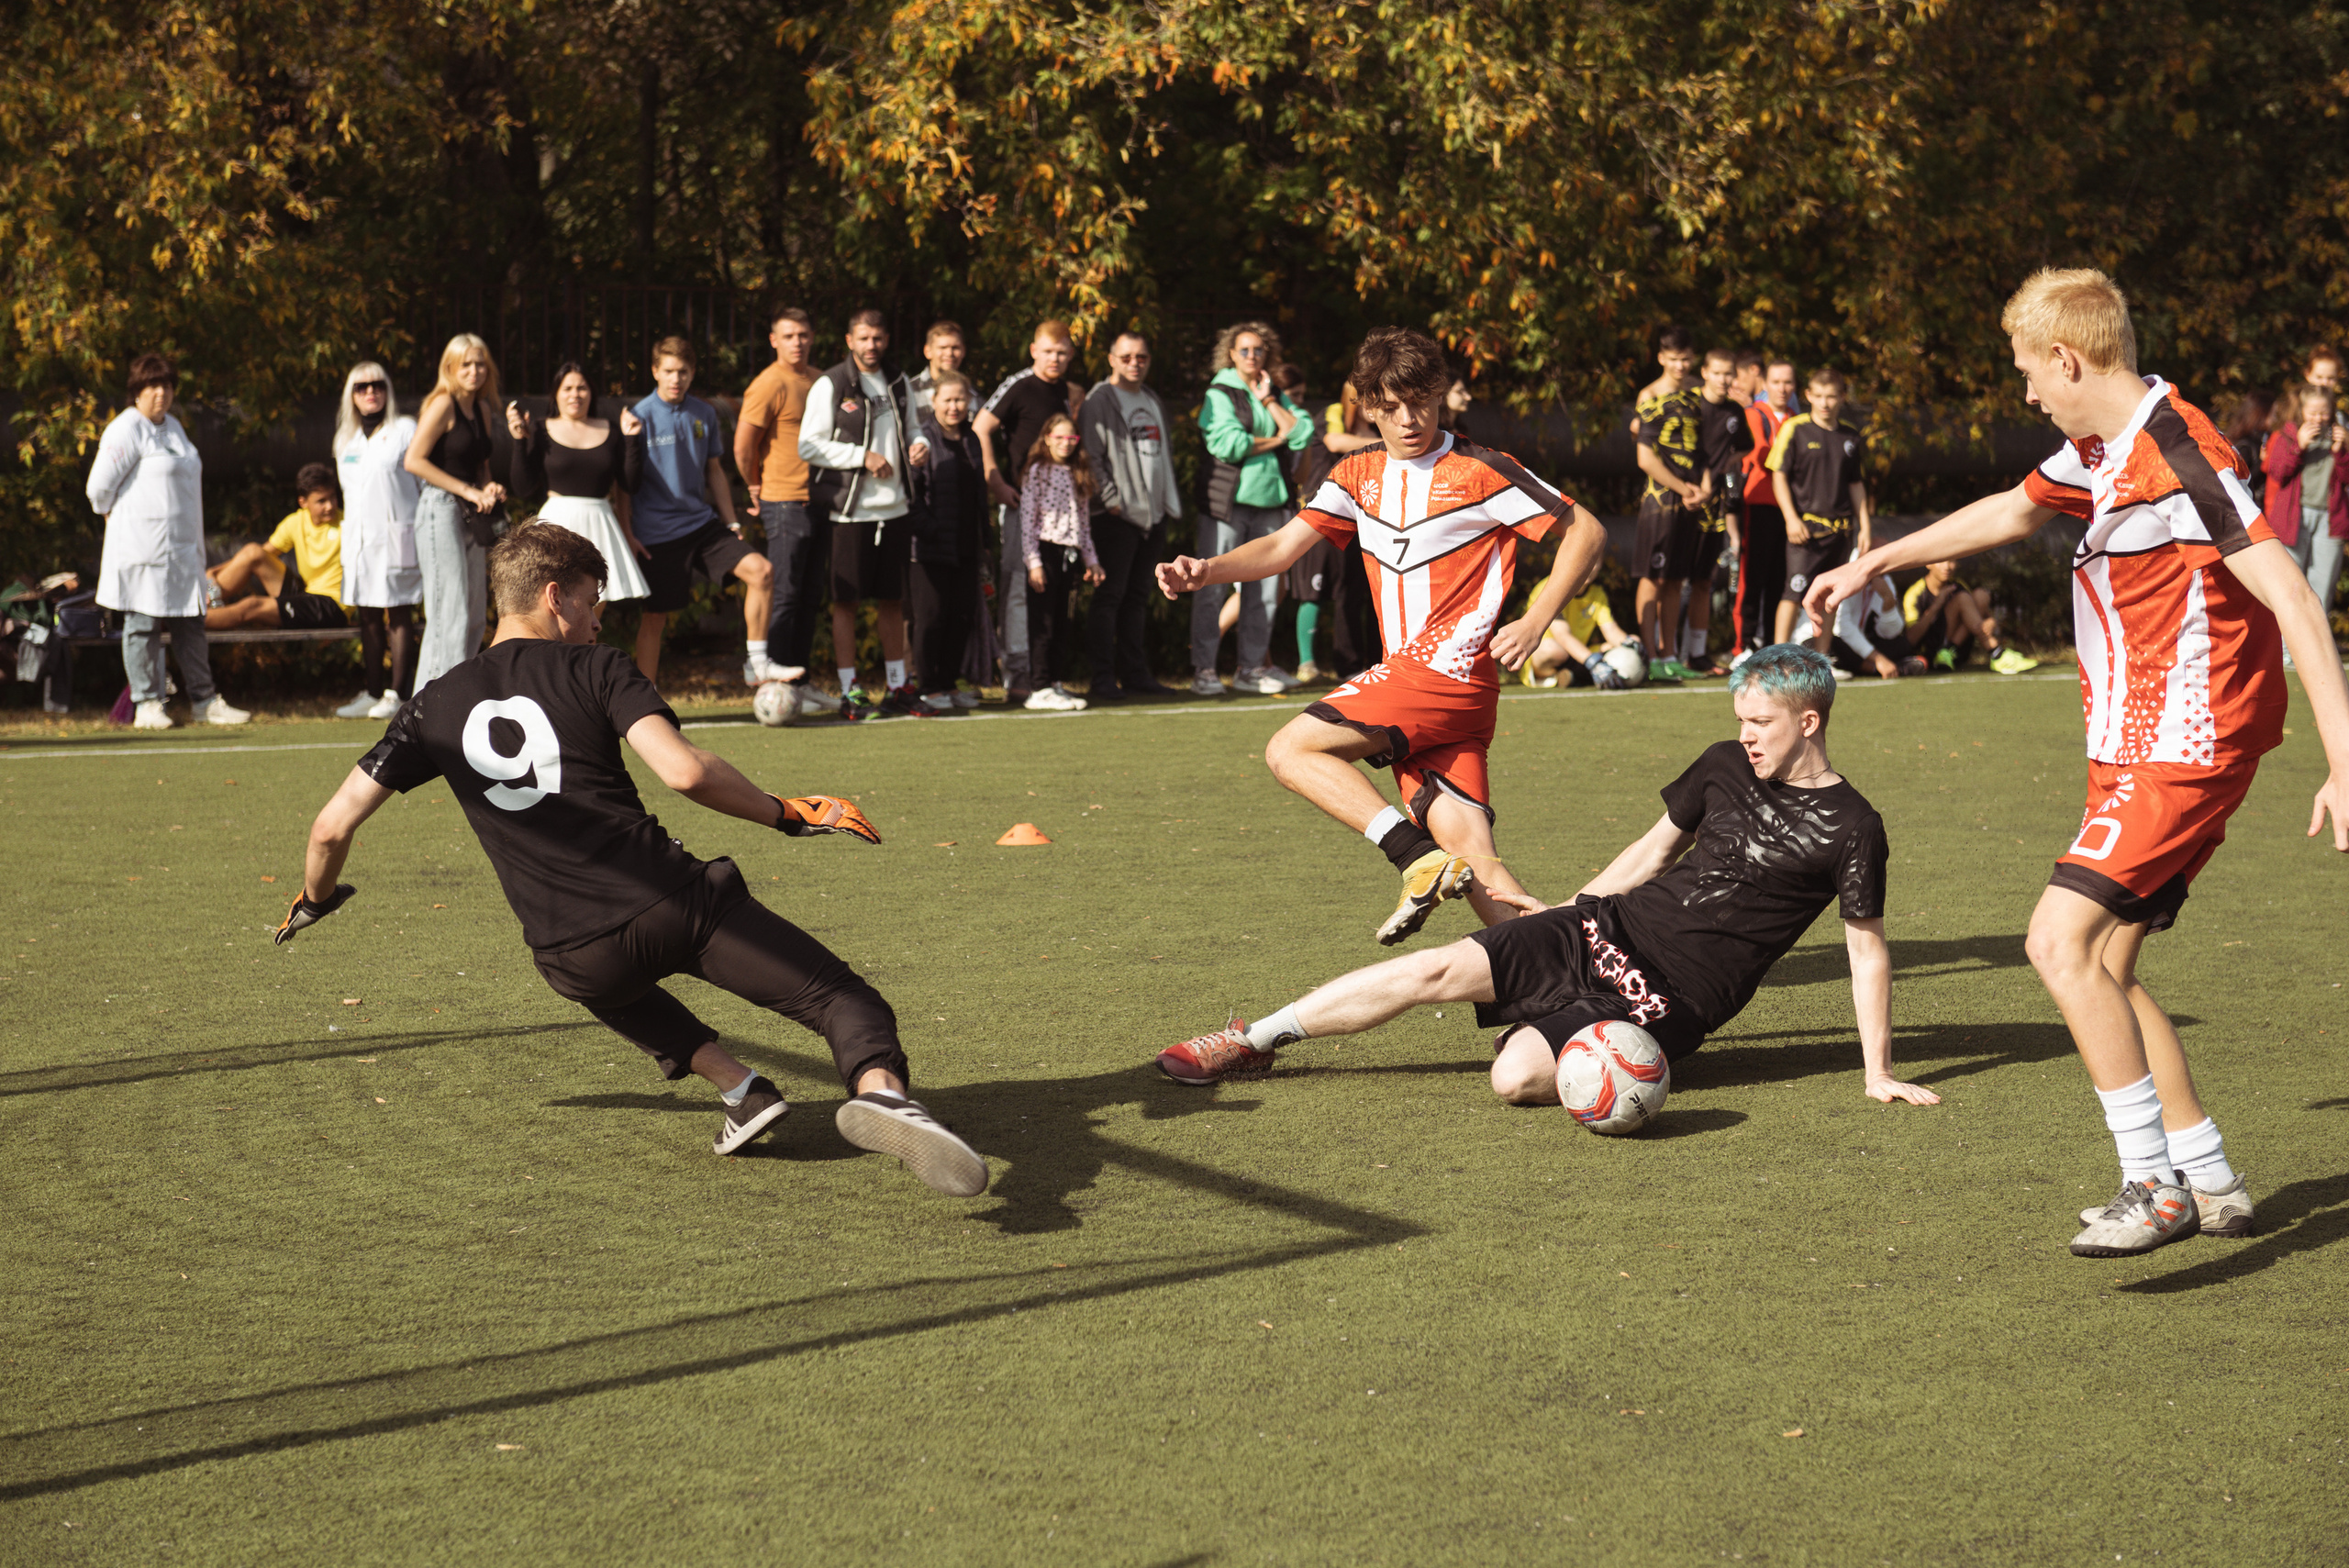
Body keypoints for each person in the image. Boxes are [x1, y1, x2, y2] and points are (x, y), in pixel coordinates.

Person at [1808, 266, 2349, 1257]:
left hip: (2182, 744)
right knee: (2103, 964)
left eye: (2027, 373)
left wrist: (2343, 758)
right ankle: (2210, 1174)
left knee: (2055, 942)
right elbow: (2012, 509)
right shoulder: (2102, 449)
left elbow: (2297, 601)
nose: (2025, 393)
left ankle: (2151, 1182)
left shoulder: (2175, 453)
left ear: (2067, 358)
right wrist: (1874, 560)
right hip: (2136, 745)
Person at [275, 522, 988, 1192]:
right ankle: (887, 1099)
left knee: (602, 981)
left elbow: (330, 828)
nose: (596, 619)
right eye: (591, 601)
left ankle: (741, 1090)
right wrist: (786, 812)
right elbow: (683, 771)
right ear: (553, 596)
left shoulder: (430, 706)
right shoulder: (597, 668)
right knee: (844, 1000)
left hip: (572, 953)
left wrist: (315, 900)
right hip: (671, 903)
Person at [1155, 644, 1942, 1113]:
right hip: (1608, 928)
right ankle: (1250, 1039)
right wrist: (1574, 908)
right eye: (1740, 719)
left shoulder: (1854, 827)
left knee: (1517, 1077)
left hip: (1669, 998)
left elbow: (1866, 952)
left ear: (1809, 723)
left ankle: (1546, 1023)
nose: (1746, 736)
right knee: (1431, 968)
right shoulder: (1724, 764)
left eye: (1761, 723)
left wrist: (1878, 1072)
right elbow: (1652, 851)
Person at [1156, 326, 1606, 944]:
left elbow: (1587, 531)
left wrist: (1536, 617)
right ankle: (1570, 972)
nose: (1407, 418)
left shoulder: (1478, 469)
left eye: (1419, 401)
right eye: (1389, 407)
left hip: (1443, 674)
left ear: (1440, 393)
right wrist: (1205, 571)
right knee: (1477, 859)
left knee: (1290, 750)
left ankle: (1412, 857)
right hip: (1430, 696)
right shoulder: (1356, 474)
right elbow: (1284, 548)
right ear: (1367, 406)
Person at [88, 353, 250, 729]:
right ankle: (147, 704)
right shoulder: (125, 428)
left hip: (180, 551)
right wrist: (117, 518)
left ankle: (204, 700)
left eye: (166, 385)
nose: (160, 393)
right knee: (142, 624)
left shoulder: (175, 427)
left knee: (191, 624)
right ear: (137, 391)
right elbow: (98, 489)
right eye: (152, 386)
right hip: (141, 549)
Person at [629, 336, 774, 688]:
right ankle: (642, 705)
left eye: (683, 371)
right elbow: (623, 484)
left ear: (692, 374)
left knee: (762, 571)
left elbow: (715, 472)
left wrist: (732, 521)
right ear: (655, 372)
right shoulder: (637, 417)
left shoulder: (704, 413)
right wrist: (628, 533)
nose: (676, 378)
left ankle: (757, 664)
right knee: (654, 619)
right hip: (655, 533)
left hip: (701, 525)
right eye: (668, 371)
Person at [802, 311, 924, 719]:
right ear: (849, 340)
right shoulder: (832, 382)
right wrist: (862, 457)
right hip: (849, 513)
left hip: (896, 509)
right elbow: (810, 445)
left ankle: (896, 686)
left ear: (887, 340)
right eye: (864, 338)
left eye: (878, 338)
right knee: (847, 603)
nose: (871, 345)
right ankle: (850, 690)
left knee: (893, 601)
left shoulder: (898, 380)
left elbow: (914, 427)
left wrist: (920, 444)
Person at [1191, 320, 1312, 696]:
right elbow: (1228, 444)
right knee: (1209, 584)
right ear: (1231, 353)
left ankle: (1252, 668)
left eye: (1258, 350)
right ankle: (1205, 670)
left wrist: (1270, 403)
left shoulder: (1272, 390)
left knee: (1263, 590)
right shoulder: (1220, 391)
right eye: (1244, 349)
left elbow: (1303, 433)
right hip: (1227, 505)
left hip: (1271, 505)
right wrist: (1278, 438)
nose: (1251, 356)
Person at [735, 306, 842, 720]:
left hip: (820, 500)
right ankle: (774, 687)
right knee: (785, 594)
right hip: (783, 500)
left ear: (812, 337)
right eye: (788, 335)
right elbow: (744, 446)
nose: (797, 341)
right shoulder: (768, 383)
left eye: (803, 334)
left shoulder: (820, 380)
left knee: (809, 596)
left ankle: (799, 682)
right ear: (774, 340)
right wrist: (755, 485)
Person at [974, 321, 1084, 704]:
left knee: (1047, 595)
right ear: (1034, 350)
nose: (1055, 359)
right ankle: (1018, 676)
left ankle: (1044, 676)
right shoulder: (1019, 385)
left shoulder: (1063, 392)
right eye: (1049, 351)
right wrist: (996, 482)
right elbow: (980, 426)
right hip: (1021, 505)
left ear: (1070, 356)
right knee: (1018, 587)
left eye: (1062, 353)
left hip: (1054, 515)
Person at [1078, 331, 1181, 703]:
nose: (1134, 363)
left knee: (1137, 597)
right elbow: (1091, 455)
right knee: (1109, 597)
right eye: (1126, 357)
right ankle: (1102, 679)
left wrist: (1166, 505)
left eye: (1141, 357)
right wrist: (1112, 501)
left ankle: (1136, 675)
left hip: (1152, 516)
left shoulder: (1151, 398)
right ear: (1111, 359)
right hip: (1116, 516)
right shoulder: (1099, 400)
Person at [404, 335, 505, 693]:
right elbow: (413, 460)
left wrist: (488, 488)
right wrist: (466, 490)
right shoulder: (442, 404)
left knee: (475, 615)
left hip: (471, 516)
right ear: (450, 368)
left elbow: (482, 467)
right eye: (466, 364)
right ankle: (426, 709)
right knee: (450, 613)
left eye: (479, 364)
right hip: (440, 511)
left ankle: (454, 701)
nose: (474, 371)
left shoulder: (483, 410)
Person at [508, 361, 651, 606]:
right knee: (551, 601)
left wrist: (631, 440)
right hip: (557, 522)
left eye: (582, 388)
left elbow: (630, 484)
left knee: (595, 605)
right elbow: (523, 487)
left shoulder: (612, 430)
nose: (575, 394)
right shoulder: (540, 429)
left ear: (591, 392)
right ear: (556, 394)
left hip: (601, 522)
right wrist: (520, 441)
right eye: (568, 388)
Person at [334, 362, 423, 717]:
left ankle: (397, 694)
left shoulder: (404, 430)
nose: (371, 392)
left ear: (387, 390)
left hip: (396, 536)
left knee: (399, 612)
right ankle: (372, 692)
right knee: (367, 614)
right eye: (362, 387)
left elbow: (421, 483)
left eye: (378, 385)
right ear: (352, 395)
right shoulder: (345, 439)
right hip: (359, 540)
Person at [1767, 368, 1872, 651]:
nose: (1825, 403)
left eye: (1832, 397)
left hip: (1841, 531)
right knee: (1793, 592)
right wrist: (1790, 518)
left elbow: (1856, 484)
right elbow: (1778, 476)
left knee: (1830, 596)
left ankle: (1822, 659)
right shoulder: (1796, 429)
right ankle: (1777, 657)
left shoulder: (1850, 436)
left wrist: (1864, 526)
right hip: (1806, 531)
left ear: (1842, 398)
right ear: (1809, 396)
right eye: (1819, 396)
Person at [907, 370, 989, 712]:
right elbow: (910, 496)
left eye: (960, 399)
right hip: (929, 549)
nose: (954, 406)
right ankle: (927, 686)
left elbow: (980, 494)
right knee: (932, 617)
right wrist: (933, 530)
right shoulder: (922, 441)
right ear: (934, 402)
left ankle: (949, 683)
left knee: (961, 616)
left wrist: (984, 541)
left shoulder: (972, 439)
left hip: (967, 547)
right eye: (948, 400)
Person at [1631, 326, 1704, 682]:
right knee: (1653, 577)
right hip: (1660, 500)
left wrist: (1700, 488)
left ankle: (1670, 653)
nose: (1681, 365)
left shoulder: (1697, 393)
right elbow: (1646, 458)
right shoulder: (1649, 395)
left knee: (1676, 579)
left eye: (1686, 358)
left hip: (1691, 500)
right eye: (1674, 359)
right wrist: (1683, 488)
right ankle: (1650, 656)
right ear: (1661, 358)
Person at [1016, 413, 1102, 710]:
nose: (1066, 444)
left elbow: (1084, 525)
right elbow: (1028, 520)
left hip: (1072, 554)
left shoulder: (1079, 472)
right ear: (1047, 439)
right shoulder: (1037, 471)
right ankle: (1038, 686)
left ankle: (1054, 682)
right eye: (1059, 437)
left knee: (1064, 624)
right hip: (1046, 551)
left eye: (1072, 438)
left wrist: (1092, 561)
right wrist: (1033, 561)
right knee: (1044, 622)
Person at [204, 463, 351, 632]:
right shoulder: (296, 522)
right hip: (305, 595)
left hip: (331, 606)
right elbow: (254, 556)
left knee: (252, 606)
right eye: (321, 501)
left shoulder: (347, 524)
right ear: (303, 502)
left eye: (332, 497)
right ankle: (201, 601)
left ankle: (184, 623)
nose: (330, 506)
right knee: (253, 552)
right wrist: (213, 572)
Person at [1684, 348, 1754, 675]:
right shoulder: (1686, 404)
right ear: (1705, 372)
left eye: (1730, 374)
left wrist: (1719, 470)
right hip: (1680, 500)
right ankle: (1662, 653)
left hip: (1711, 507)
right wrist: (1690, 486)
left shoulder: (1734, 412)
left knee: (1702, 580)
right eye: (1718, 373)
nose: (1725, 380)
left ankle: (1697, 653)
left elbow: (1745, 446)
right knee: (1668, 582)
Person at [1734, 360, 1801, 658]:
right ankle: (1743, 645)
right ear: (1766, 383)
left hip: (1789, 509)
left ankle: (1774, 644)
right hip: (1757, 504)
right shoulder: (1752, 414)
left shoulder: (1799, 420)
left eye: (1788, 383)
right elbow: (1761, 454)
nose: (1782, 388)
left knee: (1780, 578)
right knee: (1753, 577)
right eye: (1776, 382)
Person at [2264, 385, 2346, 618]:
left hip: (2330, 519)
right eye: (2313, 413)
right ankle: (2285, 649)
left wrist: (2343, 451)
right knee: (2290, 583)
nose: (2318, 419)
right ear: (2302, 410)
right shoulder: (2289, 433)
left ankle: (2316, 648)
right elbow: (2277, 472)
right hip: (2294, 516)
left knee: (2323, 584)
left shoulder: (2340, 434)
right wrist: (2298, 445)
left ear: (2332, 411)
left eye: (2324, 413)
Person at [1898, 559, 2035, 673]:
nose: (1947, 567)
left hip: (1956, 651)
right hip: (1930, 654)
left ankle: (1949, 650)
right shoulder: (1915, 594)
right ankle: (1996, 653)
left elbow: (1976, 615)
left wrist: (1991, 621)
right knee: (1962, 598)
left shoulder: (1958, 585)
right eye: (1941, 561)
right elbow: (1911, 639)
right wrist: (1936, 605)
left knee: (1980, 595)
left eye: (1951, 560)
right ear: (1928, 563)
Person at [1526, 581, 1637, 688]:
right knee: (1553, 650)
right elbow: (1562, 636)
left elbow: (1611, 631)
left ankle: (1571, 676)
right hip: (1550, 652)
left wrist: (1630, 645)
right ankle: (1572, 675)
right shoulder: (1549, 586)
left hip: (1581, 653)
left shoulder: (1597, 593)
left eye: (1594, 561)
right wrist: (1593, 662)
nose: (1590, 565)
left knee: (1633, 641)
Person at [2222, 389, 2276, 517]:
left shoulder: (2265, 438)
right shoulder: (2245, 445)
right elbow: (2240, 480)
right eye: (2273, 414)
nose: (2275, 418)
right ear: (2260, 414)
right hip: (2250, 511)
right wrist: (2263, 463)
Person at [906, 319, 966, 420]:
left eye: (955, 348)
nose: (949, 353)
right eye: (943, 348)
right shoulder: (909, 391)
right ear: (927, 351)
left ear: (963, 351)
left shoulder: (971, 395)